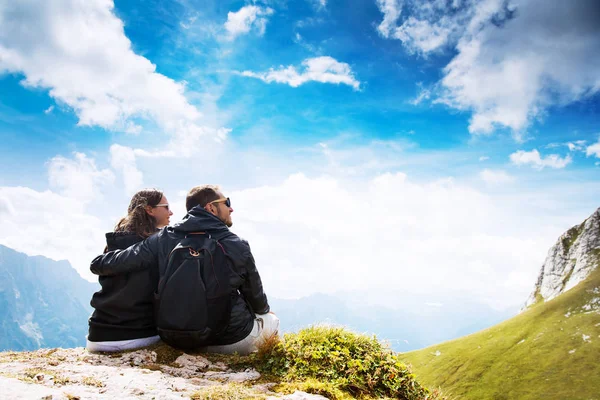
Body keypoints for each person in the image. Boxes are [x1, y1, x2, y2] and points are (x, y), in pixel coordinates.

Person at [90, 185, 278, 355]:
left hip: (178, 340)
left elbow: (116, 262)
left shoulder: (163, 238)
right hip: (231, 339)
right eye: (227, 202)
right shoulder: (237, 244)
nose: (231, 208)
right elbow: (257, 301)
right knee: (270, 319)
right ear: (211, 207)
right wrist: (264, 312)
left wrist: (100, 260)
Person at [86, 188, 173, 352]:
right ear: (149, 209)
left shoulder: (114, 243)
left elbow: (96, 265)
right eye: (166, 207)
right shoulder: (159, 247)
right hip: (138, 336)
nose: (171, 212)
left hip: (97, 337)